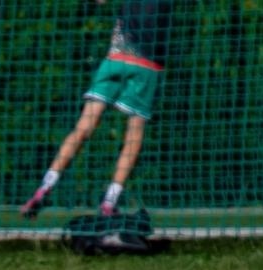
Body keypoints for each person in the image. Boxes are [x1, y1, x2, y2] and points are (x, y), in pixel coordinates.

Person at [19, 0, 174, 219]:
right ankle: (109, 201)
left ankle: (44, 188)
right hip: (147, 65)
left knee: (83, 127)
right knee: (134, 136)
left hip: (117, 57)